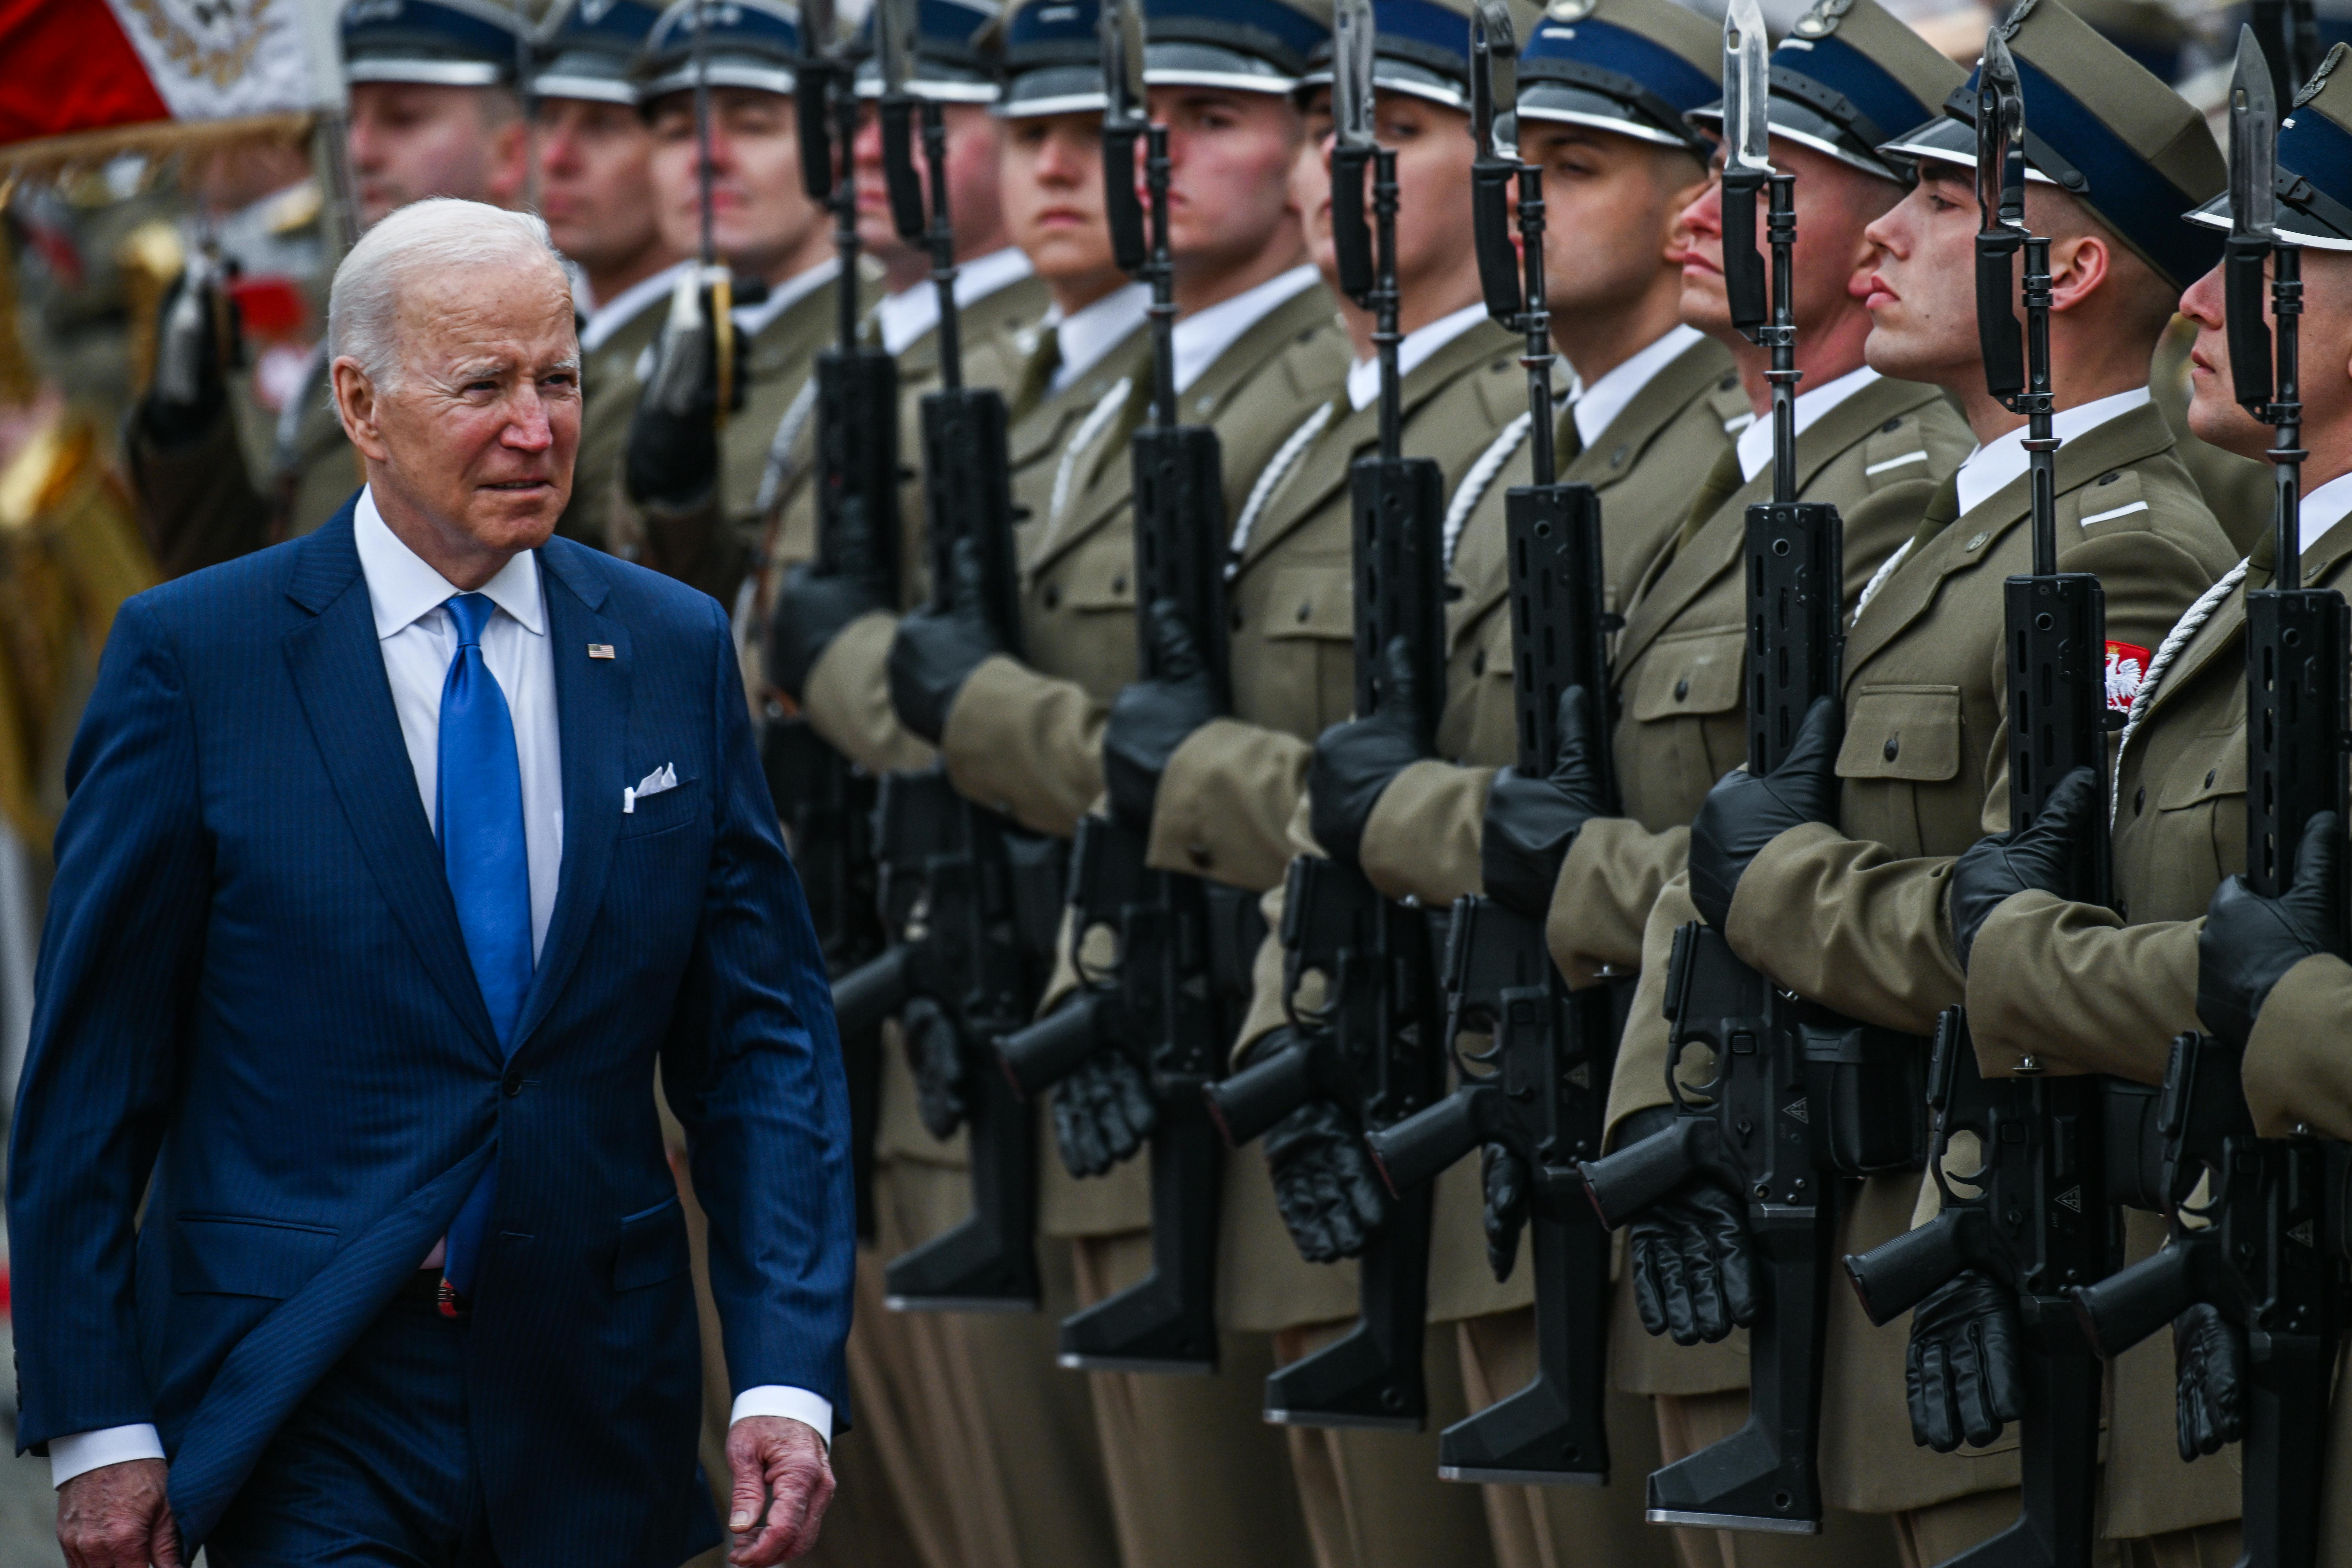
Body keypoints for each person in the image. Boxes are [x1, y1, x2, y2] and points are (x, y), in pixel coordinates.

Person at [8, 199, 853, 1568]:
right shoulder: (197, 659)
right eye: (484, 386)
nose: (537, 428)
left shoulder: (668, 648)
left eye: (559, 379)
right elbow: (94, 1072)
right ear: (359, 403)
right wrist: (99, 1422)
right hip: (308, 1377)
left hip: (594, 1386)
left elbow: (763, 1046)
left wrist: (784, 1374)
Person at [1622, 1, 2240, 1558]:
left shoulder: (2128, 549)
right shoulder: (1949, 529)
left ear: (2076, 269)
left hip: (1973, 1244)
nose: (1883, 238)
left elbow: (2031, 925)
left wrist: (1779, 887)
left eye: (1948, 205)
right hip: (1835, 1230)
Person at [883, 0, 1355, 1562]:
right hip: (1050, 1003)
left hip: (1223, 1037)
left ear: (1305, 147)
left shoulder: (1310, 405)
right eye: (1035, 139)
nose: (1099, 169)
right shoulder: (1045, 374)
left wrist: (946, 703)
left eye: (1196, 123)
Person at [1279, 3, 1731, 1563]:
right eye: (1512, 163)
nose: (1519, 198)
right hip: (1491, 1123)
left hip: (1632, 1149)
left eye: (1576, 165)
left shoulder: (1721, 460)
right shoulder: (1527, 456)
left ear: (1705, 200)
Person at [1512, 8, 1965, 1561]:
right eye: (1703, 167)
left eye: (1763, 177)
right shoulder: (1734, 474)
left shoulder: (1896, 497)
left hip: (1813, 1203)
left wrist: (1560, 875)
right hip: (1677, 1152)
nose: (1701, 212)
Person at [1949, 44, 2352, 1563]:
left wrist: (2026, 959)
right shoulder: (2267, 588)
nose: (2194, 296)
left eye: (2270, 262)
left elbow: (2260, 967)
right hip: (2210, 1350)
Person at [125, 0, 535, 570]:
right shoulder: (341, 355)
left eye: (404, 119)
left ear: (508, 153)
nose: (359, 151)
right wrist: (189, 430)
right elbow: (252, 595)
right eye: (349, 119)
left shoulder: (559, 365)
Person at [616, 0, 855, 606]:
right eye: (675, 132)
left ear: (837, 144)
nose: (707, 158)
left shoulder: (878, 339)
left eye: (753, 125)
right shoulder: (656, 344)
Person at [534, 0, 684, 552]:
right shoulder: (565, 328)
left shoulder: (684, 352)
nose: (557, 156)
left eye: (603, 125)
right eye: (549, 117)